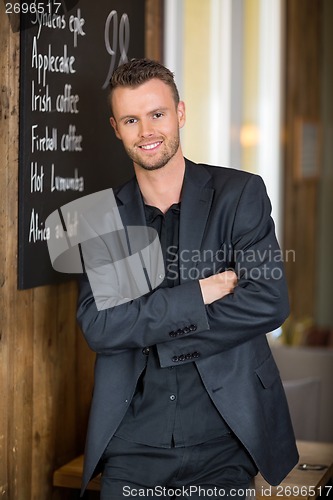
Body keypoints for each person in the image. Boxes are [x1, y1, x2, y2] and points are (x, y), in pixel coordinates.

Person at [77, 58, 298, 499]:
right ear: (116, 128)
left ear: (180, 113)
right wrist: (202, 292)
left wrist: (154, 331)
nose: (147, 130)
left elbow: (268, 301)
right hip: (132, 445)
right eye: (131, 120)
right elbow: (100, 327)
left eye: (157, 114)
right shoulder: (98, 217)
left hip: (225, 439)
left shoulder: (239, 194)